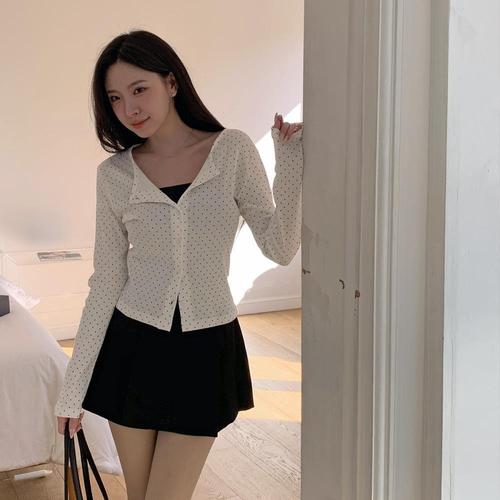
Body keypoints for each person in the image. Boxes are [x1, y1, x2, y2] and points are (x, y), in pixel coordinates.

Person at [54, 29, 303, 500]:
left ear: (171, 82)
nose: (129, 108)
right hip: (131, 348)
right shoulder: (114, 175)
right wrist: (72, 391)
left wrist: (288, 164)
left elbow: (280, 247)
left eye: (139, 89)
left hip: (204, 351)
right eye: (115, 98)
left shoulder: (231, 150)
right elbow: (106, 282)